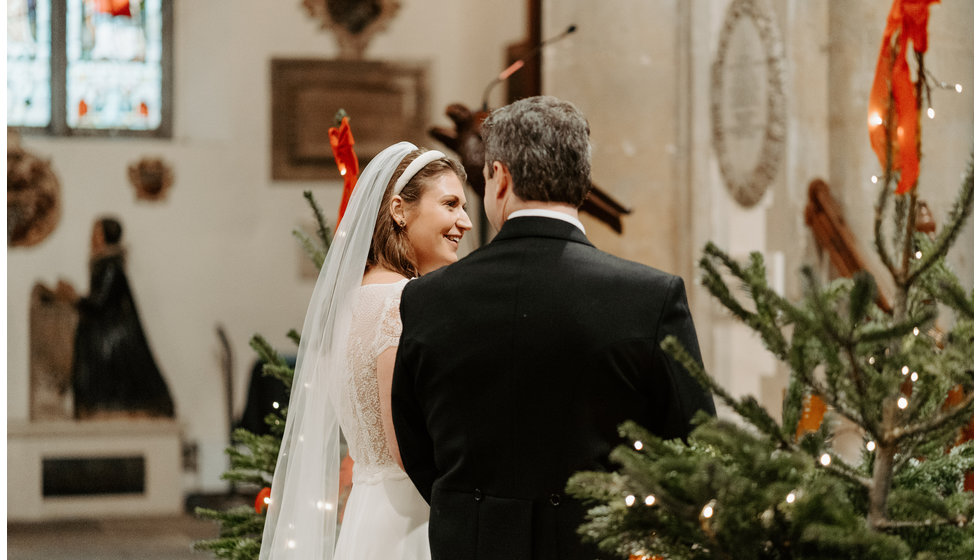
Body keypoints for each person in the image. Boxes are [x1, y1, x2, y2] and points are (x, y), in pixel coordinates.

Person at [390, 96, 716, 560]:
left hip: (472, 543)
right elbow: (694, 446)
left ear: (499, 178)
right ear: (581, 181)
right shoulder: (648, 296)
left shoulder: (427, 297)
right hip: (600, 546)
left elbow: (418, 447)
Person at [259, 142, 472, 560]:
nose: (464, 221)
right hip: (412, 521)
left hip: (368, 512)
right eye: (450, 204)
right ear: (398, 210)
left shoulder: (352, 299)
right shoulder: (402, 301)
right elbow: (405, 444)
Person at [64, 217, 175, 419]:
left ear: (105, 237)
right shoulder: (104, 265)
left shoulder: (111, 266)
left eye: (96, 234)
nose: (92, 239)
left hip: (114, 343)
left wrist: (74, 298)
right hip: (105, 336)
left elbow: (99, 304)